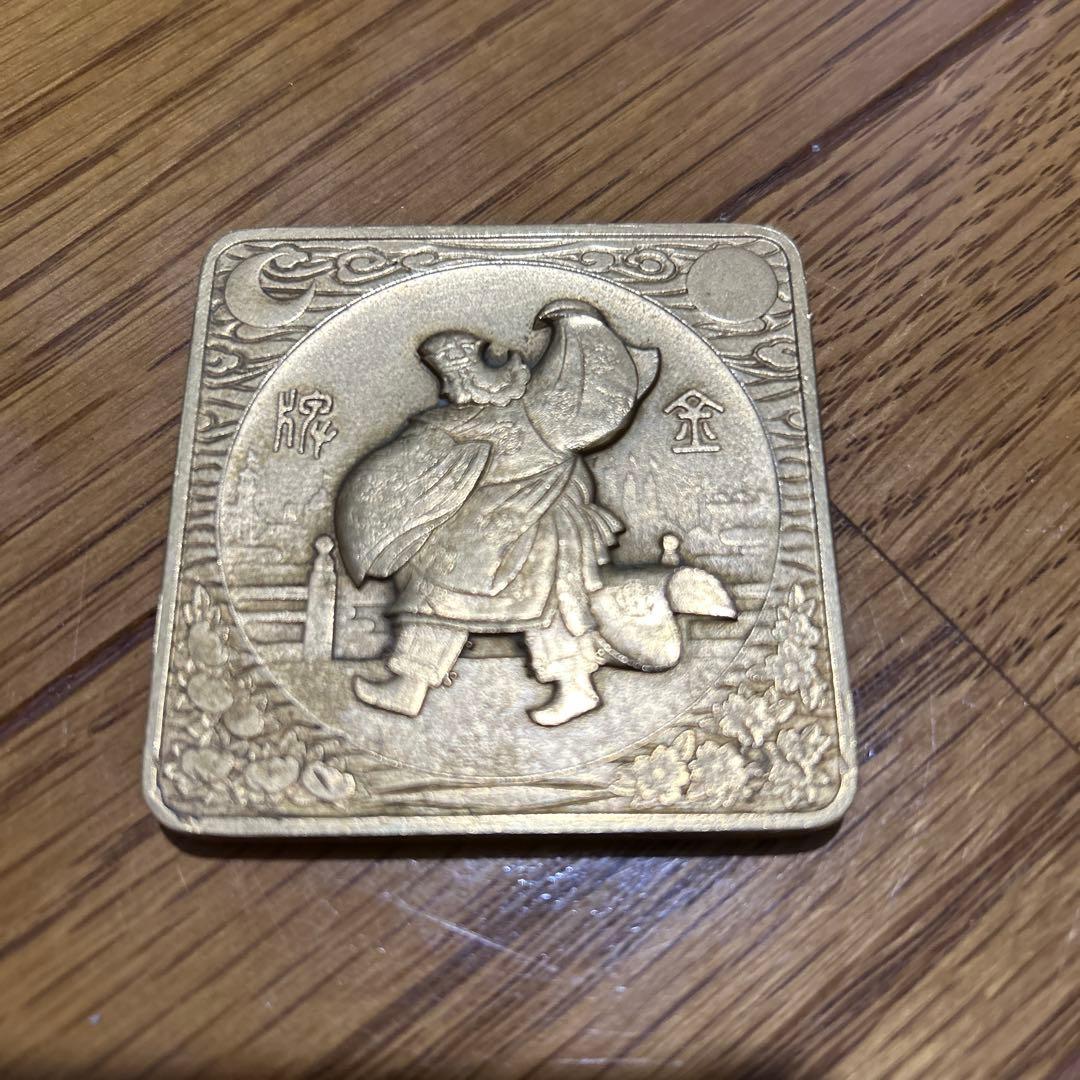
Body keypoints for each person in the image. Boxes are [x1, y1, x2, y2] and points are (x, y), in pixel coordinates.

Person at [335, 299, 659, 726]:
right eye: (449, 379)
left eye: (458, 376)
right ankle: (409, 686)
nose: (452, 389)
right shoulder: (456, 422)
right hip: (477, 537)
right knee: (435, 598)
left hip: (541, 527)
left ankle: (576, 688)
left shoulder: (536, 412)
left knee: (551, 609)